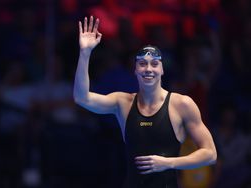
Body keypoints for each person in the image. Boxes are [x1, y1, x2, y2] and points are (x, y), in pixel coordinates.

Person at [73, 16, 217, 188]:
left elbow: (210, 153)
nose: (148, 69)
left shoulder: (182, 104)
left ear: (162, 69)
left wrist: (169, 163)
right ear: (135, 70)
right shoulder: (122, 102)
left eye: (154, 64)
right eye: (142, 64)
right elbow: (82, 98)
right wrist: (85, 53)